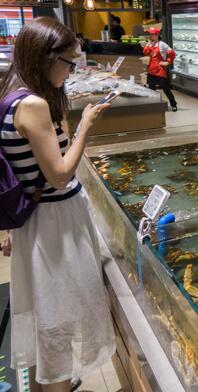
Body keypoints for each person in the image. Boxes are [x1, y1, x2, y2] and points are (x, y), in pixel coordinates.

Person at [0, 17, 115, 392]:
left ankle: (49, 383)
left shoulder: (13, 93)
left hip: (37, 224)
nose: (71, 70)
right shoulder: (33, 105)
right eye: (69, 62)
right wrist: (86, 125)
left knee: (46, 321)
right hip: (53, 227)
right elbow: (60, 174)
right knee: (57, 321)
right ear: (46, 58)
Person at [142, 27, 177, 112]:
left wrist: (168, 62)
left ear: (157, 35)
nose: (150, 36)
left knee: (166, 89)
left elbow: (172, 53)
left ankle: (173, 104)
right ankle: (154, 106)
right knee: (151, 90)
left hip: (160, 71)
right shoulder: (150, 44)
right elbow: (145, 52)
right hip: (151, 70)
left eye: (152, 34)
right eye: (149, 34)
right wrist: (147, 45)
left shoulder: (162, 44)